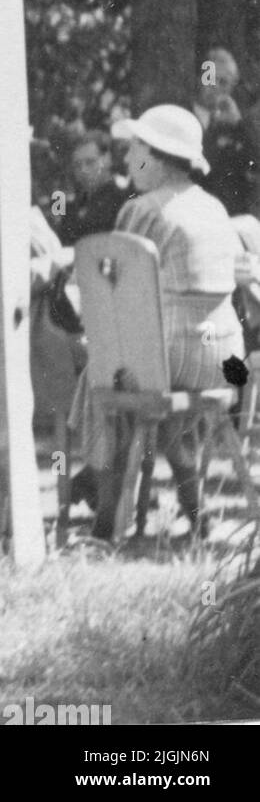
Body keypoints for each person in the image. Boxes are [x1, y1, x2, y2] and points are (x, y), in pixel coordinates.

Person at [69, 105, 245, 539]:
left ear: (160, 157)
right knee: (157, 401)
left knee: (103, 379)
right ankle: (196, 515)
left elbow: (114, 290)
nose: (127, 160)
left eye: (135, 150)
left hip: (172, 352)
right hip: (223, 355)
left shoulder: (145, 209)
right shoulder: (213, 207)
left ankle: (106, 519)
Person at [193, 49, 260, 216]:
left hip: (225, 217)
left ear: (232, 87)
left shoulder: (238, 125)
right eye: (210, 78)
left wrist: (239, 125)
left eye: (223, 82)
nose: (214, 87)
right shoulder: (182, 114)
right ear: (200, 78)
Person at [55, 131, 127, 246]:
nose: (83, 170)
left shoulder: (122, 199)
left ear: (107, 160)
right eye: (77, 165)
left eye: (90, 162)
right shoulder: (72, 203)